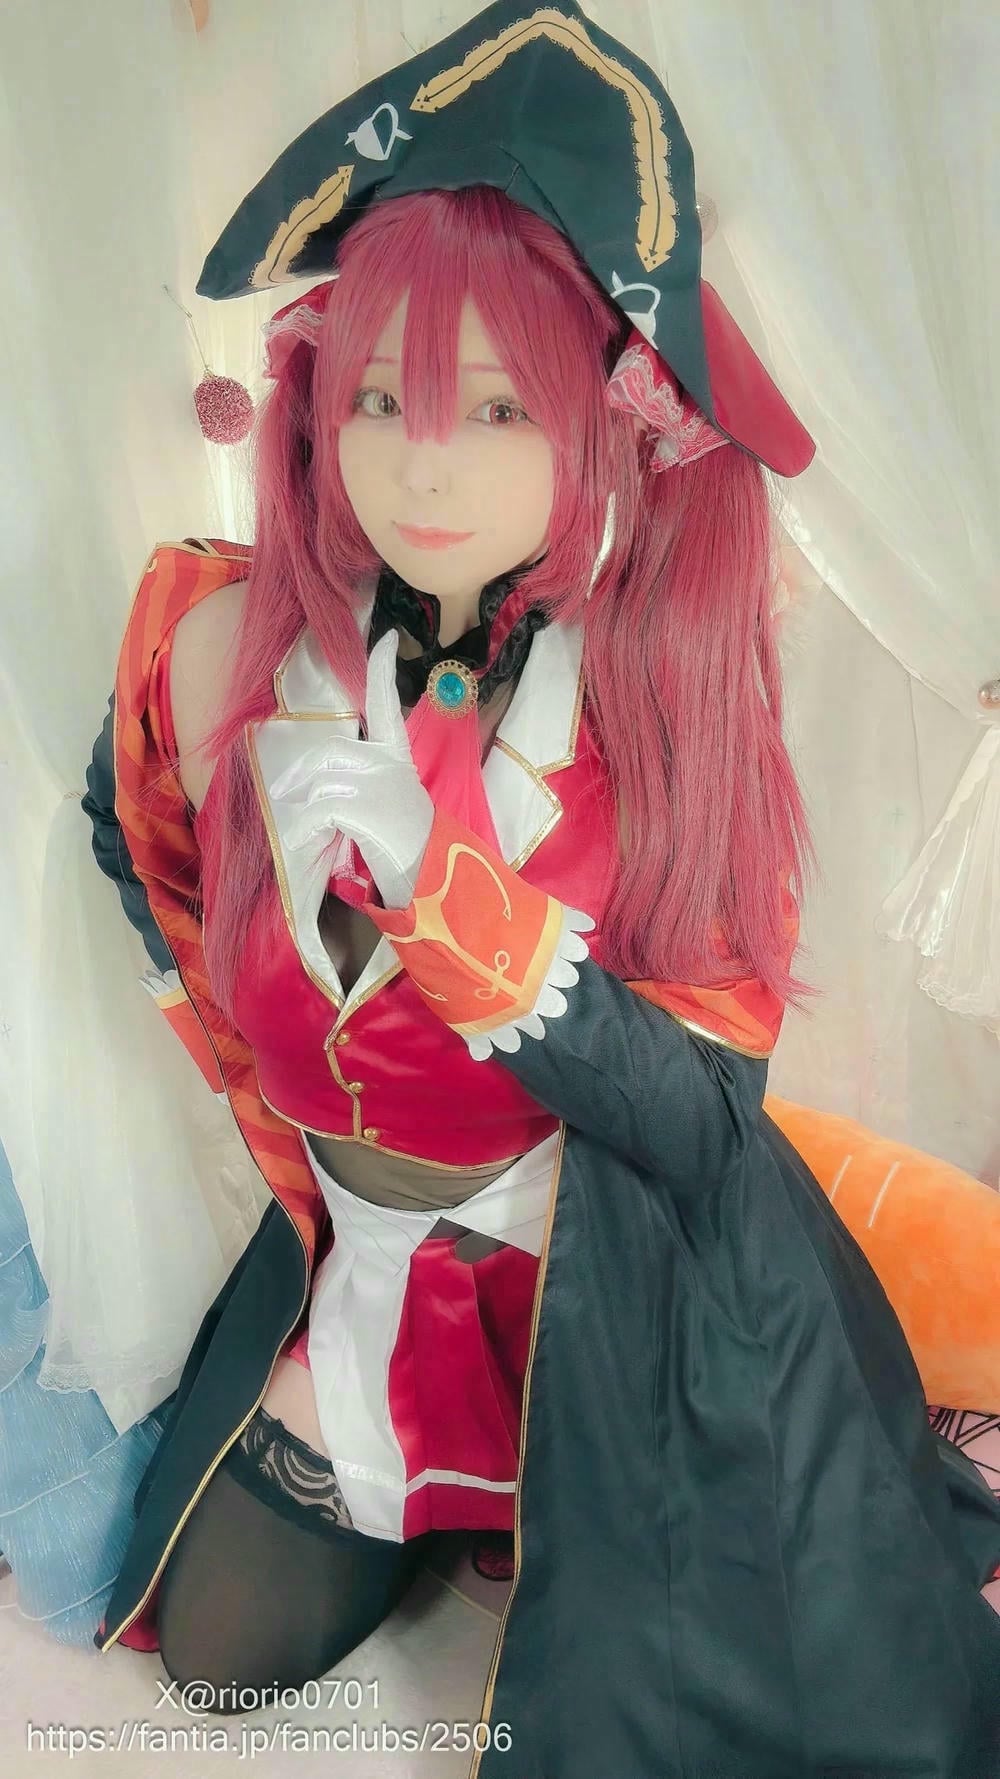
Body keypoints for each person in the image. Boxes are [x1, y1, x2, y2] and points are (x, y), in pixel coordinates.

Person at [6, 2, 995, 1773]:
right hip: (373, 1257)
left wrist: (469, 921)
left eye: (495, 405)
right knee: (218, 1665)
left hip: (616, 1285)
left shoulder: (666, 710)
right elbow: (124, 833)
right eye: (382, 396)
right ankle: (452, 1500)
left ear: (604, 424)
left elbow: (704, 1119)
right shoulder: (223, 651)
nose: (423, 464)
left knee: (686, 1686)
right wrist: (238, 1049)